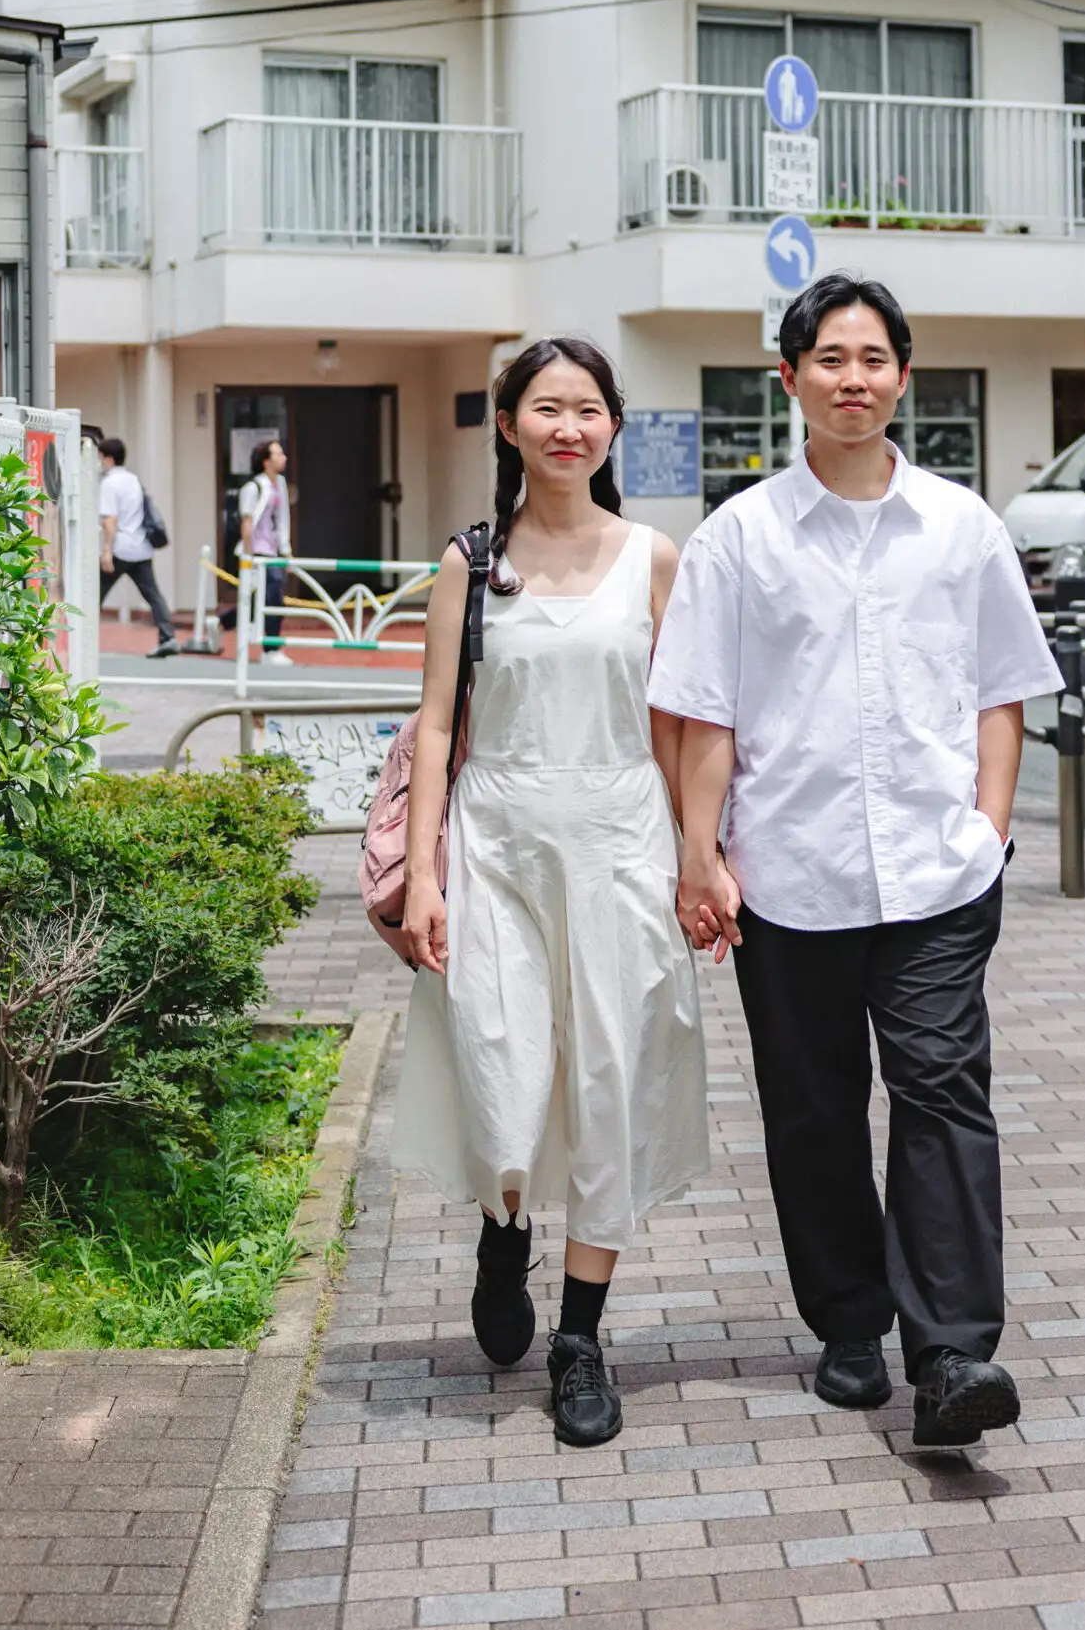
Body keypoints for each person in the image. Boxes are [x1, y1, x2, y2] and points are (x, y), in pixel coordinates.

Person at [649, 274, 1063, 1447]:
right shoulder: (740, 538)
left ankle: (951, 1353)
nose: (852, 377)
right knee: (813, 1109)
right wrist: (699, 854)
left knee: (939, 1092)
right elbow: (702, 715)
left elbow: (999, 690)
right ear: (789, 379)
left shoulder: (960, 526)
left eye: (873, 357)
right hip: (788, 872)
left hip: (938, 872)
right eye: (828, 358)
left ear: (902, 376)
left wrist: (988, 829)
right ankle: (846, 1324)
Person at [392, 337, 708, 1449]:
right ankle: (501, 1224)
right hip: (496, 844)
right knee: (502, 1064)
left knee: (611, 1081)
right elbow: (435, 725)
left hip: (623, 845)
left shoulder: (655, 560)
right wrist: (424, 872)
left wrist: (702, 857)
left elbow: (683, 729)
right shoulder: (470, 563)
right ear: (511, 425)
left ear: (612, 427)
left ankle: (581, 1337)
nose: (567, 426)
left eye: (587, 408)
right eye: (545, 407)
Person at [96, 436, 178, 658]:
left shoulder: (109, 484)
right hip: (141, 548)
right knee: (153, 594)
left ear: (109, 459)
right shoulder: (134, 480)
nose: (99, 462)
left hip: (120, 548)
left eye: (101, 458)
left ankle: (83, 638)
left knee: (95, 593)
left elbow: (110, 521)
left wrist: (106, 552)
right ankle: (167, 636)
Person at [238, 436, 293, 669]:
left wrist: (286, 552)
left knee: (256, 601)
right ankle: (271, 649)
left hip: (272, 552)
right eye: (278, 454)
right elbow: (247, 523)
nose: (283, 458)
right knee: (272, 599)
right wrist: (249, 558)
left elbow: (282, 521)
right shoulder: (253, 487)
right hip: (257, 553)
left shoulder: (279, 485)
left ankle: (218, 622)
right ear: (265, 461)